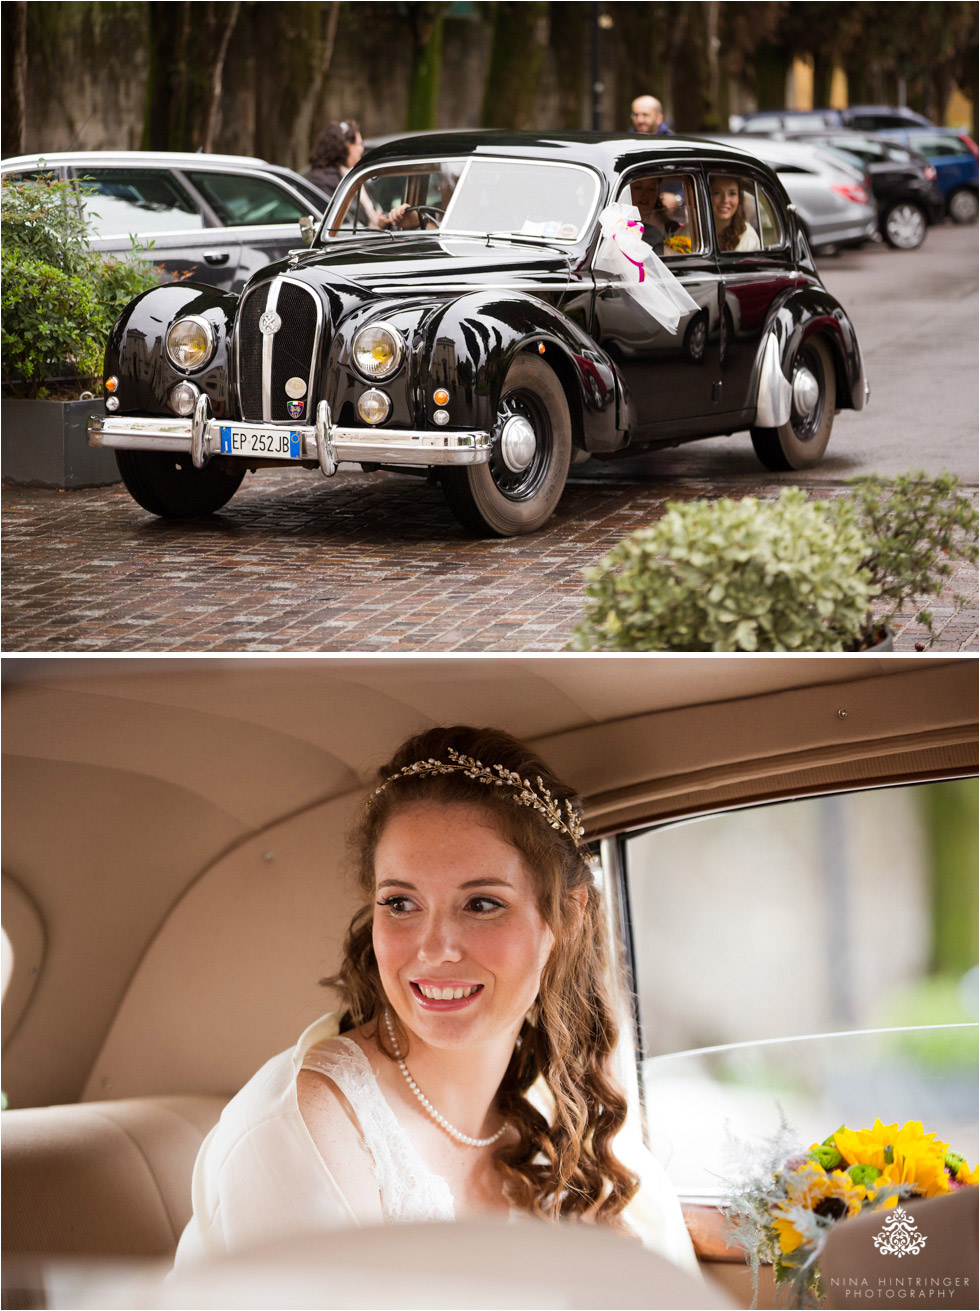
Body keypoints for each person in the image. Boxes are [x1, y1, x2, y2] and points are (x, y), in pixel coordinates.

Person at [172, 726, 699, 1275]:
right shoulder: (302, 1128)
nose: (435, 949)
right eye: (400, 903)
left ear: (566, 915)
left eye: (481, 903)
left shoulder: (556, 1117)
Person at [710, 175, 761, 252]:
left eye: (732, 193)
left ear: (739, 199)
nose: (725, 200)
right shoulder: (693, 231)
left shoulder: (748, 238)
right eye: (717, 193)